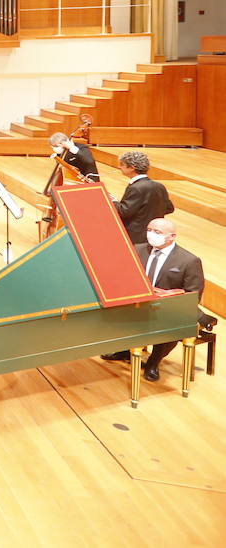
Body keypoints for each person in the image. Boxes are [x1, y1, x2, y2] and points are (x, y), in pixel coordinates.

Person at [102, 219, 207, 381]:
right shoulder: (138, 249)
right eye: (149, 230)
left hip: (169, 309)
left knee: (173, 326)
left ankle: (154, 361)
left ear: (171, 237)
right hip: (139, 303)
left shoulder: (188, 261)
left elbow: (193, 294)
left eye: (157, 232)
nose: (151, 234)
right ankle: (124, 350)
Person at [114, 150, 174, 246]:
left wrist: (113, 201)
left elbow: (124, 211)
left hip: (134, 236)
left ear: (132, 168)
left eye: (122, 164)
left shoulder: (136, 188)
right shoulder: (159, 186)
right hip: (153, 234)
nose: (119, 167)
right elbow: (169, 208)